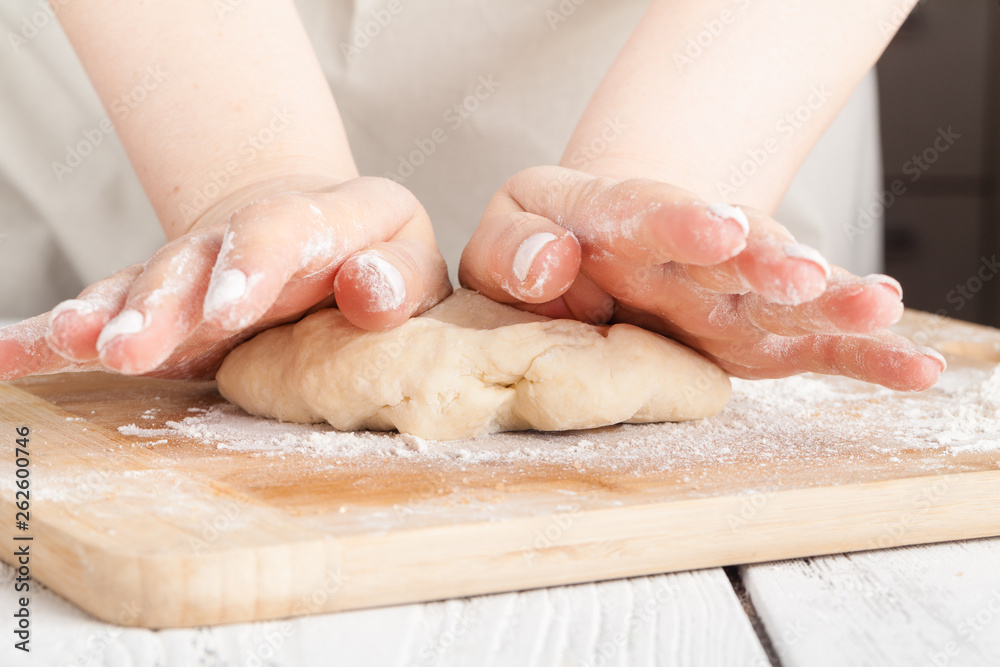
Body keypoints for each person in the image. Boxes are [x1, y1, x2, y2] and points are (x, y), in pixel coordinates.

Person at [0, 0, 943, 392]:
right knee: (204, 306)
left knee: (685, 256)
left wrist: (673, 186)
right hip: (159, 68)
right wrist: (246, 182)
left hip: (711, 61)